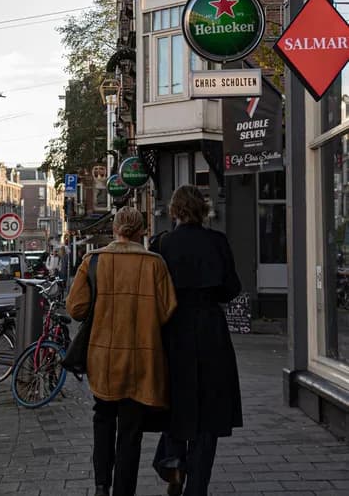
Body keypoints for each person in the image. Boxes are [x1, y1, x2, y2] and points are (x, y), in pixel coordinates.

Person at [66, 207, 177, 496]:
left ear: (115, 228)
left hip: (103, 358)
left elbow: (76, 309)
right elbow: (167, 310)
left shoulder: (93, 260)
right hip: (142, 358)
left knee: (102, 418)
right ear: (141, 230)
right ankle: (123, 491)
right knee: (131, 430)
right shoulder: (156, 263)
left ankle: (101, 484)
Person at [150, 185, 242, 496]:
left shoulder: (162, 244)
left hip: (174, 331)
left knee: (175, 401)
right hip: (210, 331)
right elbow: (231, 288)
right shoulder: (217, 242)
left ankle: (173, 462)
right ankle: (197, 487)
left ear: (174, 211)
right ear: (202, 210)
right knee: (210, 411)